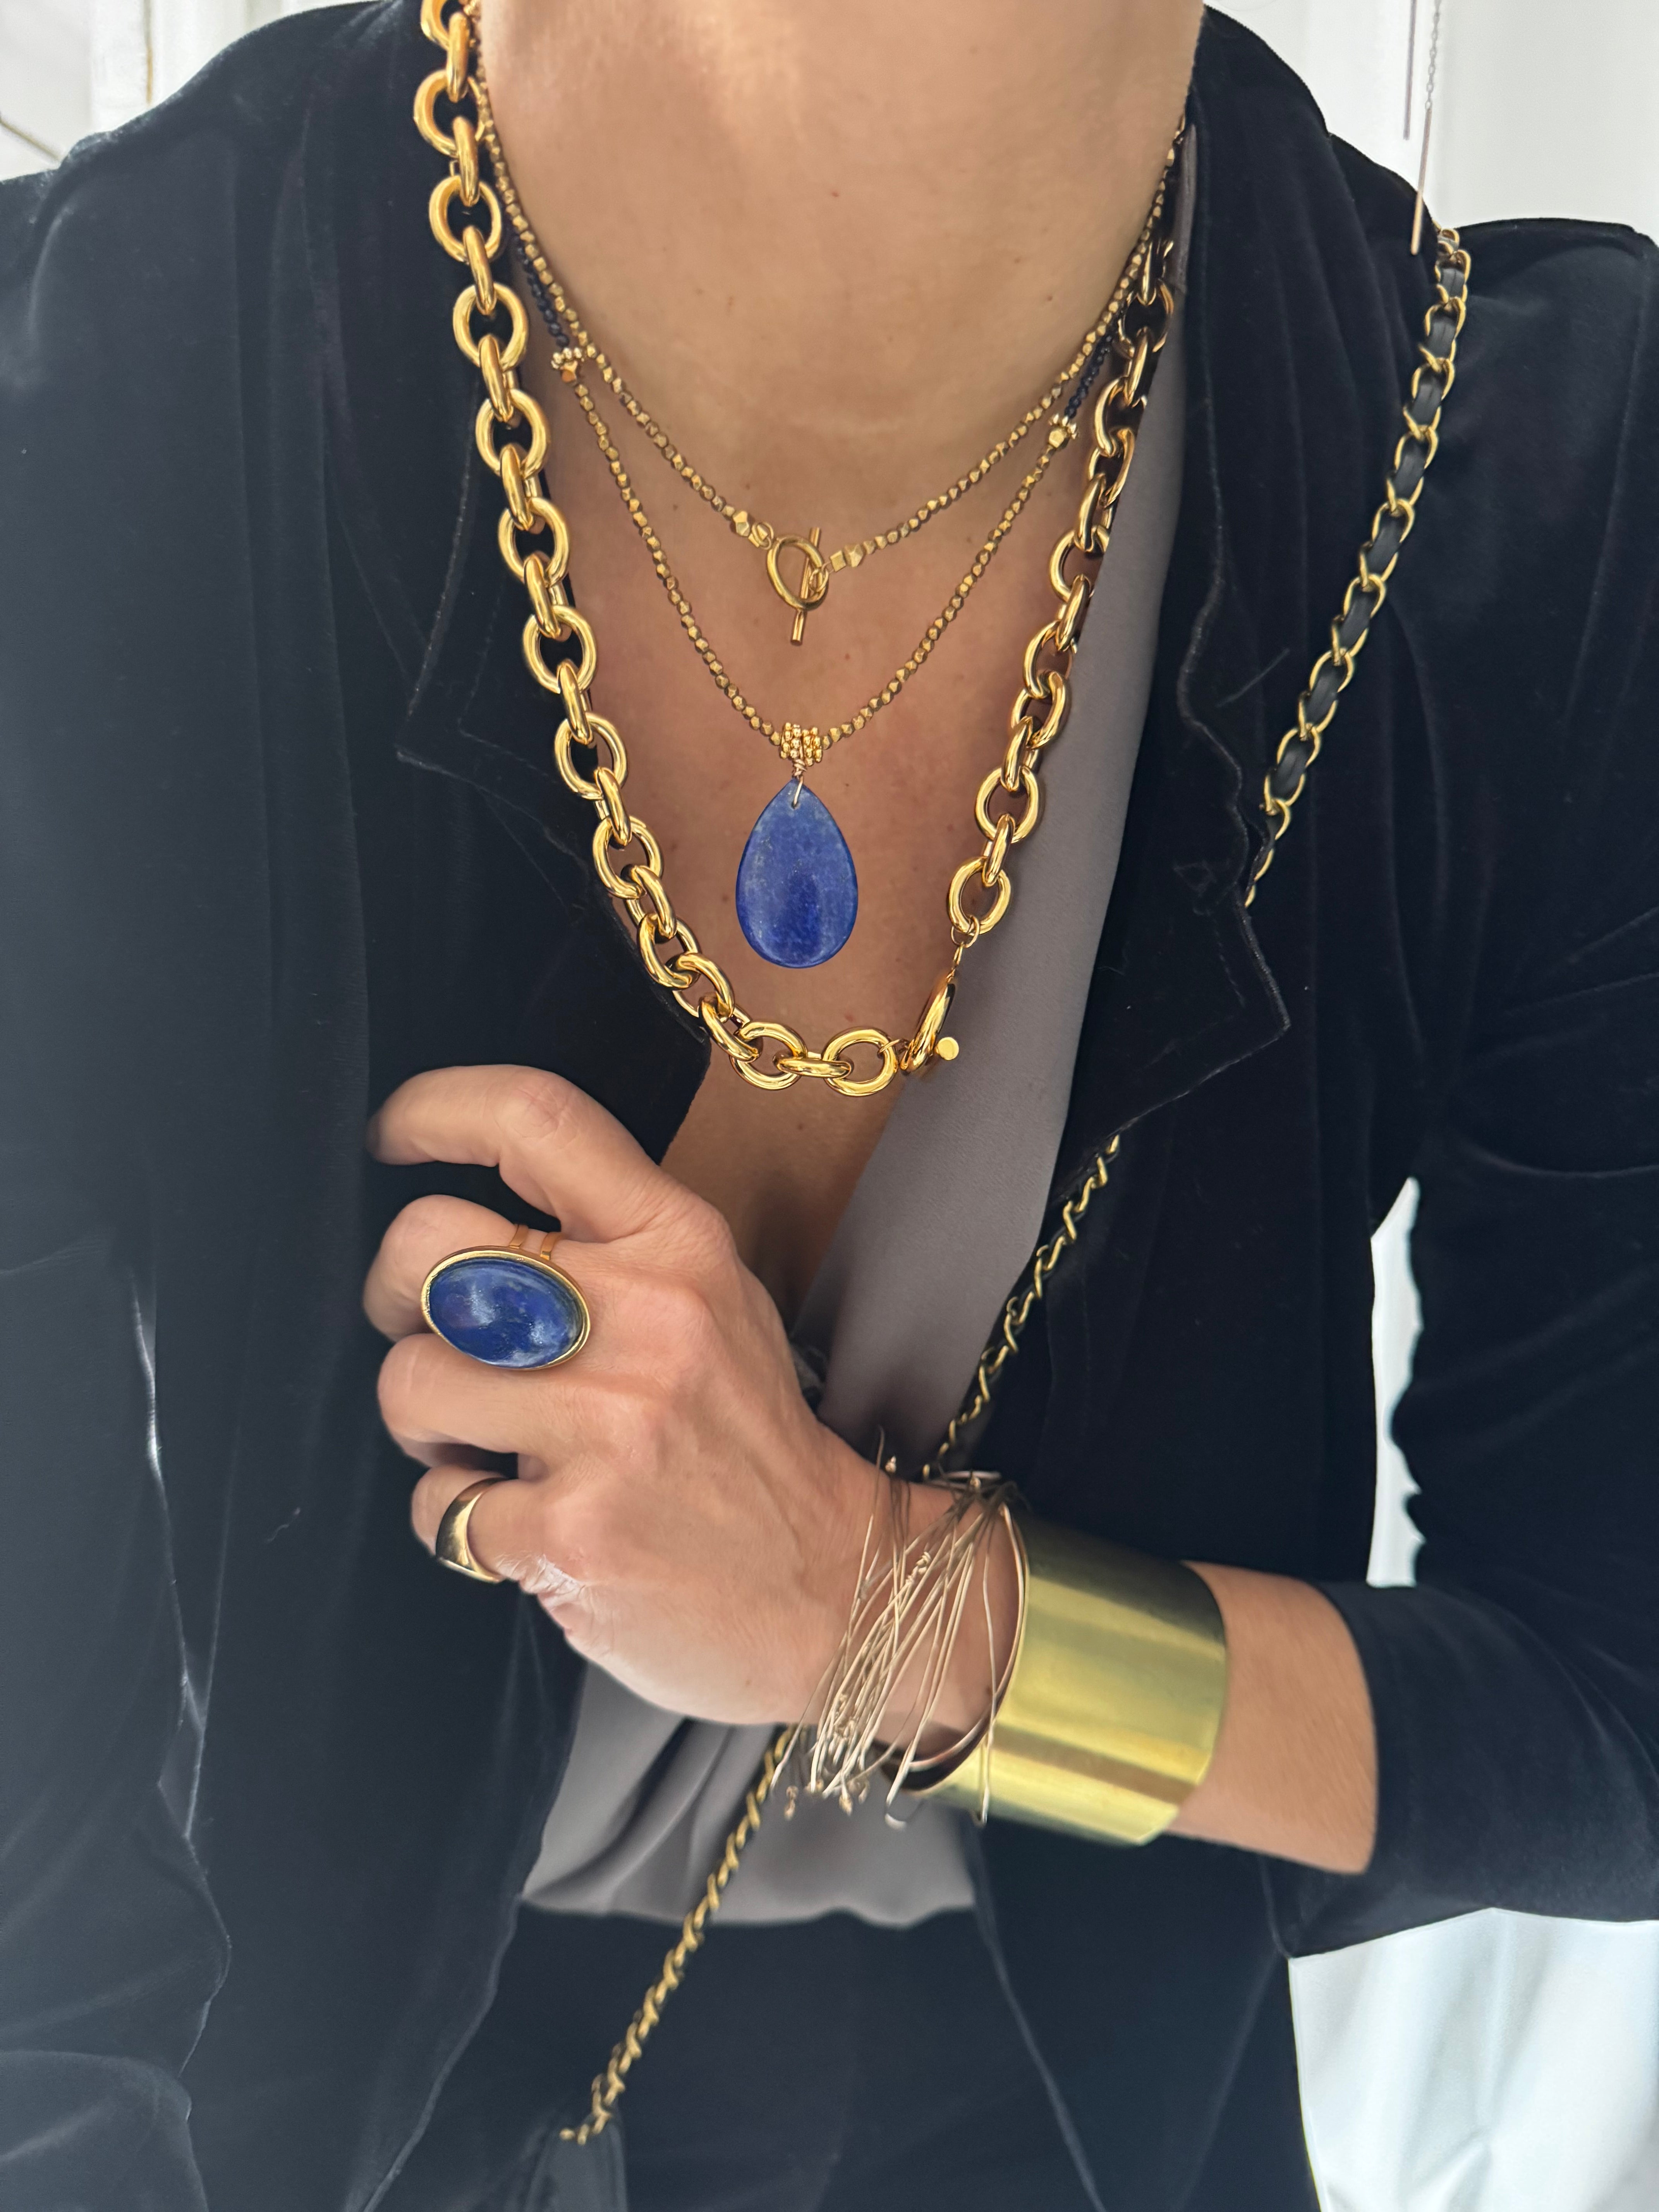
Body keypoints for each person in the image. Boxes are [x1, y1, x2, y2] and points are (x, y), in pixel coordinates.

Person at [2, 0, 1656, 2205]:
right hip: (235, 2117)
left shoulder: (1523, 487)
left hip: (1059, 2124)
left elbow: (1610, 1710)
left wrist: (896, 1609)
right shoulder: (89, 411)